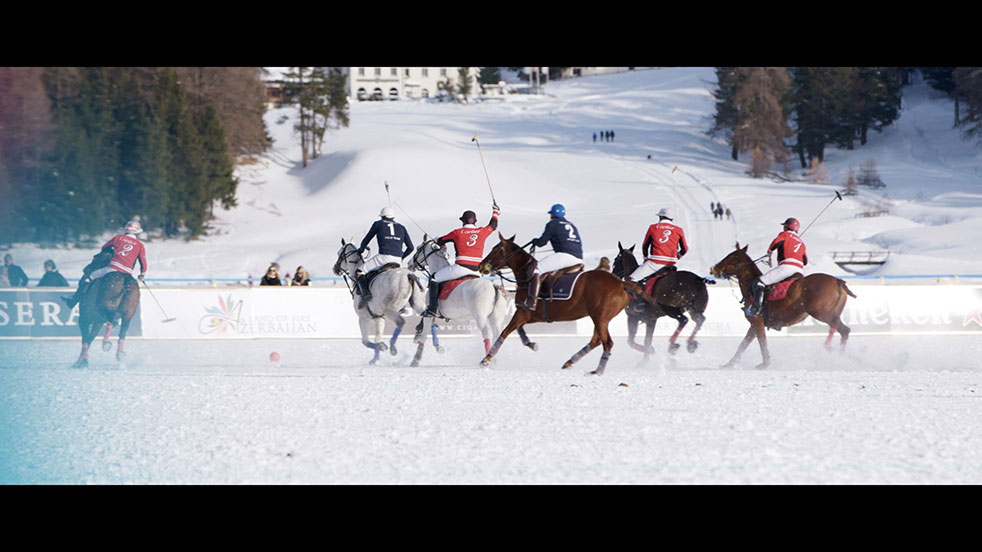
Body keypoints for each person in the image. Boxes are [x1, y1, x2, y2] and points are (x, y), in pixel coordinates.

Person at [421, 203, 500, 317]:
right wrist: (496, 212)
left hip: (460, 268)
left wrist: (438, 243)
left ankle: (432, 309)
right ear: (475, 222)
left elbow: (440, 241)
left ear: (463, 221)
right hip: (476, 272)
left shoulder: (457, 232)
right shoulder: (482, 231)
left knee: (433, 279)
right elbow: (493, 225)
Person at [63, 220, 147, 308]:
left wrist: (112, 251)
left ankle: (73, 300)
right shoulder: (140, 245)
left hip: (112, 268)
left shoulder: (118, 237)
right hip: (127, 273)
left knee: (88, 278)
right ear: (137, 233)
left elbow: (104, 247)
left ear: (126, 229)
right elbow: (143, 263)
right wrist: (142, 276)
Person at [522, 203, 583, 310]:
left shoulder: (552, 224)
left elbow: (542, 242)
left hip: (565, 256)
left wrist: (534, 241)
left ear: (552, 215)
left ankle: (532, 301)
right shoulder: (571, 225)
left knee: (536, 269)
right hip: (578, 258)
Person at [746, 217, 808, 317]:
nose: (783, 229)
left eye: (784, 227)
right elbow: (805, 261)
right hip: (799, 270)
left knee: (759, 283)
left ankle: (756, 310)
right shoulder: (801, 242)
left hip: (787, 267)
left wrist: (770, 250)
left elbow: (775, 243)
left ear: (787, 227)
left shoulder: (784, 234)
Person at [355, 207, 414, 308]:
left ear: (382, 216)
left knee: (360, 271)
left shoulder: (378, 224)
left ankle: (366, 295)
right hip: (397, 260)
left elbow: (367, 238)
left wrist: (361, 249)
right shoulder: (402, 227)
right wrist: (401, 258)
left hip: (383, 257)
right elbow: (411, 247)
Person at [627, 207, 688, 282]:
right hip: (671, 264)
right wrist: (677, 256)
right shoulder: (678, 230)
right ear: (671, 219)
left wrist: (645, 258)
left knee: (631, 279)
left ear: (661, 217)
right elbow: (685, 249)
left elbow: (645, 245)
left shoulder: (653, 227)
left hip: (654, 263)